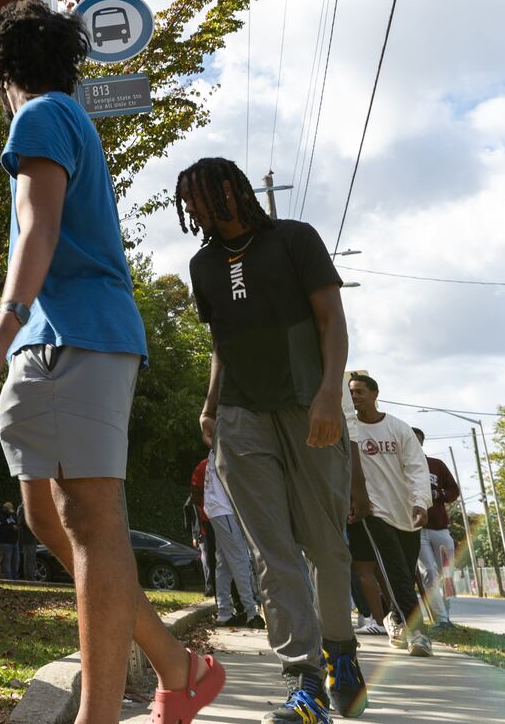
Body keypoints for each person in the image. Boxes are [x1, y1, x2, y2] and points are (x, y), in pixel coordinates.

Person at [0, 0, 223, 724]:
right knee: (46, 516)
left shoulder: (39, 115)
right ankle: (175, 661)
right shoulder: (66, 117)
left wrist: (1, 324)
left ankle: (96, 717)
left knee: (92, 522)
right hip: (52, 339)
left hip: (78, 336)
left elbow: (37, 224)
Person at [177, 156, 367, 723]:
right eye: (187, 203)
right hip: (240, 417)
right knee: (270, 552)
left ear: (230, 192)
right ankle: (303, 680)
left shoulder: (294, 239)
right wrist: (211, 406)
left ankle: (342, 653)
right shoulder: (202, 264)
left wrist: (330, 394)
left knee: (324, 545)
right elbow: (221, 343)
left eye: (199, 197)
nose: (192, 209)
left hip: (308, 407)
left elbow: (332, 320)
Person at [346, 375, 432, 656]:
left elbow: (417, 468)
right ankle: (417, 632)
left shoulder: (398, 428)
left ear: (375, 393)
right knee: (394, 569)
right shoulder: (350, 430)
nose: (355, 396)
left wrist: (421, 502)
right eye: (351, 393)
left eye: (360, 391)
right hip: (373, 511)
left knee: (404, 573)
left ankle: (394, 617)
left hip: (406, 512)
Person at [201, 450, 263, 629]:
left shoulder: (218, 446)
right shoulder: (225, 444)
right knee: (240, 560)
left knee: (225, 564)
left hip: (217, 508)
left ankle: (224, 613)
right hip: (224, 509)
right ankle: (252, 612)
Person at [413, 428, 459, 628]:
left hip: (440, 528)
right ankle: (441, 619)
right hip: (417, 529)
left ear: (422, 442)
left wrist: (438, 494)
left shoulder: (436, 465)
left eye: (417, 440)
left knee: (446, 574)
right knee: (428, 573)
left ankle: (447, 613)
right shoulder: (401, 466)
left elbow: (453, 490)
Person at [188, 456, 217, 597]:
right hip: (204, 528)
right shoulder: (203, 466)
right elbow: (193, 510)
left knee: (216, 559)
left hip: (211, 523)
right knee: (208, 559)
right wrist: (195, 534)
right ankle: (210, 587)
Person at [0, 502, 20, 580]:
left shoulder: (12, 515)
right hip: (5, 542)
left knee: (16, 560)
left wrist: (17, 526)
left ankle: (15, 576)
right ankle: (9, 578)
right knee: (7, 560)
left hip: (14, 541)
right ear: (4, 508)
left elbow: (16, 522)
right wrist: (11, 528)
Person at [15, 501, 39, 581]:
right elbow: (22, 521)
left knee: (32, 558)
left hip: (31, 537)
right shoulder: (22, 508)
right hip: (27, 538)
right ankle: (29, 578)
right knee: (28, 559)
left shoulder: (27, 508)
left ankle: (31, 576)